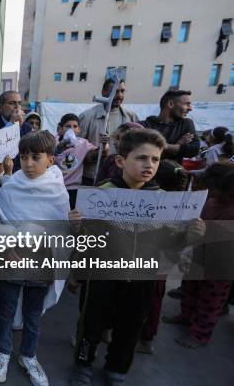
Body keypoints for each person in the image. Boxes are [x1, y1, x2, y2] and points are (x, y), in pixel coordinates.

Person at [68, 129, 204, 385]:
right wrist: (76, 231)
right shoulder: (101, 196)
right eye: (141, 158)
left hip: (142, 277)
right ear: (121, 161)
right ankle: (83, 364)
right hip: (101, 276)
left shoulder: (164, 202)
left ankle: (116, 369)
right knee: (91, 325)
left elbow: (169, 243)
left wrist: (189, 236)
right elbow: (86, 239)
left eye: (155, 159)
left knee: (130, 328)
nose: (149, 165)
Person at [0, 131, 70, 385]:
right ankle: (2, 352)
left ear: (50, 160)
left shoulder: (59, 191)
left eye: (36, 157)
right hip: (12, 259)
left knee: (32, 314)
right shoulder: (10, 187)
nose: (28, 163)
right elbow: (0, 221)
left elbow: (61, 229)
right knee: (7, 308)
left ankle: (28, 355)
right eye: (23, 157)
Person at [162, 162, 234, 349]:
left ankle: (200, 335)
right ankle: (185, 317)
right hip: (198, 255)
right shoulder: (210, 202)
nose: (211, 192)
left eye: (215, 190)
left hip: (220, 266)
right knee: (190, 290)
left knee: (210, 302)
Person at [135, 160, 190, 355]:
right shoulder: (183, 205)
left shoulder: (154, 203)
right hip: (163, 266)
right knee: (154, 301)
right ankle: (146, 339)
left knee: (143, 301)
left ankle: (144, 339)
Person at [78, 79, 138, 185]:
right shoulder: (87, 117)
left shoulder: (131, 117)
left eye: (122, 91)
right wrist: (96, 154)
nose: (119, 95)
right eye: (115, 91)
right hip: (92, 178)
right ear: (104, 92)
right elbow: (75, 152)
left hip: (121, 178)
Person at [54, 113, 103, 208]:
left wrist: (104, 144)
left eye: (75, 126)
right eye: (68, 126)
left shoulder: (83, 143)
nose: (71, 129)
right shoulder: (52, 141)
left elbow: (98, 153)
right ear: (60, 128)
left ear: (79, 129)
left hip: (74, 189)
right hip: (56, 187)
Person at [141, 89, 199, 163]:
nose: (190, 108)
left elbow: (194, 149)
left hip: (173, 174)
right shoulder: (145, 125)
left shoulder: (186, 124)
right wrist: (178, 145)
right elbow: (144, 152)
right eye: (187, 104)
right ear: (170, 104)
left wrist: (157, 145)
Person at [0, 91, 32, 171]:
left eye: (19, 103)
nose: (17, 106)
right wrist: (11, 124)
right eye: (12, 103)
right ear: (0, 107)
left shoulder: (27, 127)